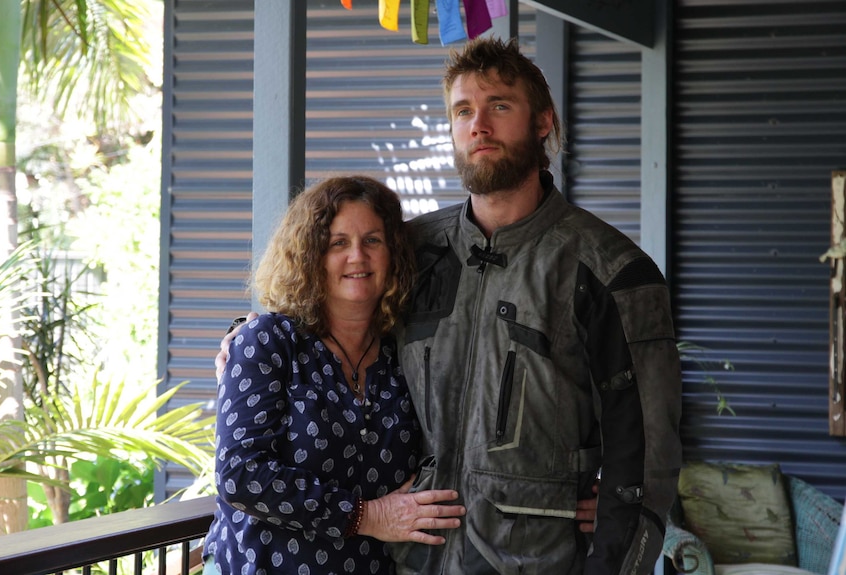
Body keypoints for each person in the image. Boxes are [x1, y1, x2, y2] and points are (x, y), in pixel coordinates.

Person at [218, 36, 682, 575]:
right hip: (412, 560)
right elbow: (328, 298)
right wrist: (248, 331)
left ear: (543, 122)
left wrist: (621, 528)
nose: (479, 125)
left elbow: (647, 451)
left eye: (499, 106)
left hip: (537, 560)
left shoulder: (608, 270)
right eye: (463, 111)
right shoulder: (413, 252)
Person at [202, 176, 466, 575]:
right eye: (338, 243)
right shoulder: (269, 341)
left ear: (393, 254)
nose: (357, 256)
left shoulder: (405, 355)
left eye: (373, 240)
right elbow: (240, 474)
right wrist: (367, 516)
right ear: (310, 256)